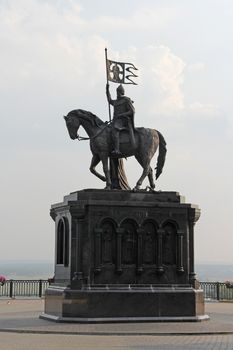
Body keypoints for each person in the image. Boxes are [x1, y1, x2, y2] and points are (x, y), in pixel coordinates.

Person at [106, 83, 135, 156]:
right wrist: (107, 90)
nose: (117, 94)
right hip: (116, 121)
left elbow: (132, 111)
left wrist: (122, 114)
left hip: (123, 121)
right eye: (116, 92)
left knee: (115, 130)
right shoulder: (116, 101)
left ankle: (117, 149)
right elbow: (109, 100)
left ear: (122, 92)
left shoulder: (126, 100)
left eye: (118, 92)